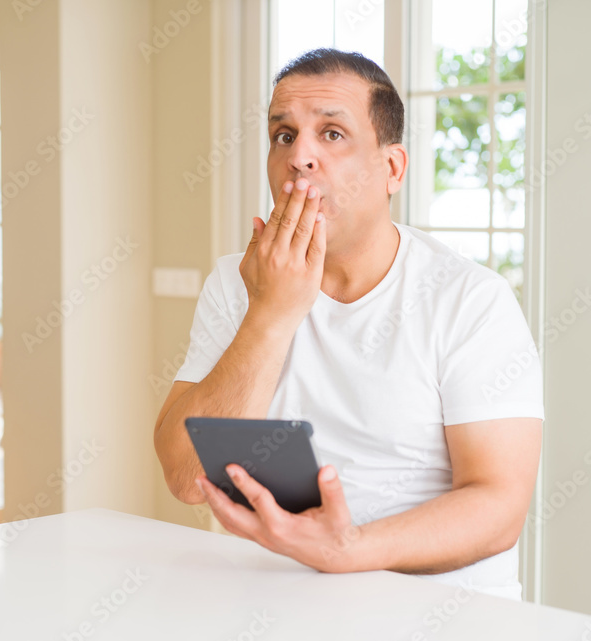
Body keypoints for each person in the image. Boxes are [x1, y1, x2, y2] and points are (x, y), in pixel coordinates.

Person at [153, 47, 543, 601]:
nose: (299, 156)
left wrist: (346, 552)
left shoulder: (471, 300)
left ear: (392, 169)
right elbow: (186, 475)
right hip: (280, 606)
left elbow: (498, 507)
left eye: (331, 134)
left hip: (444, 617)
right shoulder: (235, 285)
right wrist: (270, 315)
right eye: (283, 135)